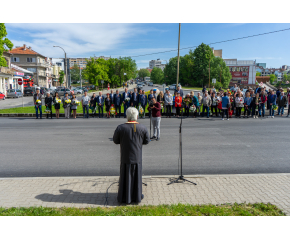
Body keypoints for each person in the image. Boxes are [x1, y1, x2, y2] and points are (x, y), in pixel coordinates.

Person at [113, 107, 150, 204]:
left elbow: (115, 141)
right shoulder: (142, 128)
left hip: (125, 156)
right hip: (137, 156)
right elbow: (146, 141)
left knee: (125, 176)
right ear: (136, 116)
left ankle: (124, 196)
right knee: (137, 176)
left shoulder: (120, 127)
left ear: (127, 116)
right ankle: (136, 196)